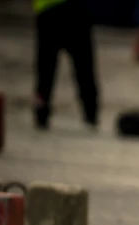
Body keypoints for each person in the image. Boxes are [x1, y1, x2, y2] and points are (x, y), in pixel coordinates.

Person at [34, 0, 99, 129]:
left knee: (45, 69)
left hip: (48, 10)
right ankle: (91, 113)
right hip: (73, 9)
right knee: (84, 66)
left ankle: (41, 111)